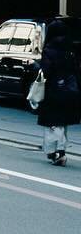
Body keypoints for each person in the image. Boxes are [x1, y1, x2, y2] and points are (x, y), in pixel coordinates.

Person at [37, 17, 80, 166]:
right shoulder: (70, 49)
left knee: (53, 124)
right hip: (70, 90)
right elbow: (75, 70)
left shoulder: (49, 49)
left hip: (54, 90)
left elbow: (46, 71)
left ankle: (53, 153)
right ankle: (62, 151)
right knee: (63, 123)